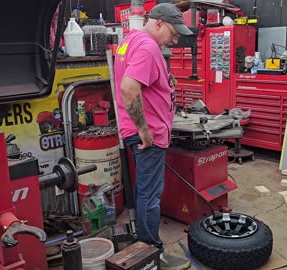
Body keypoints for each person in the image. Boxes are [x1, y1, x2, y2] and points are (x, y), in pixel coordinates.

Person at [113, 3, 193, 270]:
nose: (176, 38)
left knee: (144, 191)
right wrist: (144, 129)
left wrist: (165, 86)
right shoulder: (148, 46)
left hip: (138, 130)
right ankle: (152, 254)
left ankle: (144, 248)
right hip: (149, 135)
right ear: (158, 23)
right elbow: (129, 86)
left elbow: (139, 83)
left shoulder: (130, 41)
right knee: (150, 195)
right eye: (173, 32)